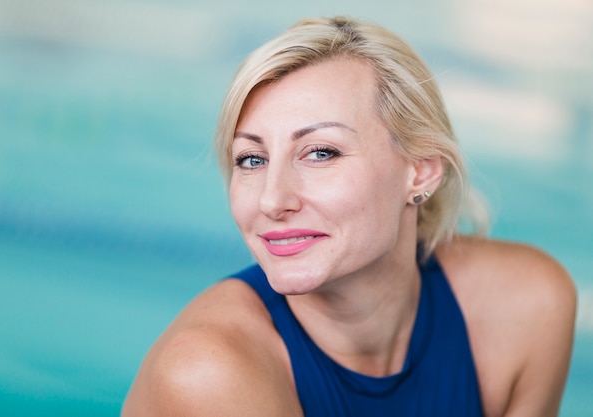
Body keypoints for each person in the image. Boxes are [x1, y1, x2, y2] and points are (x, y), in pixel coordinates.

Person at [121, 16, 576, 417]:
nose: (272, 200)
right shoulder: (208, 371)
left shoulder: (525, 306)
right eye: (251, 159)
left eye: (320, 152)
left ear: (420, 172)